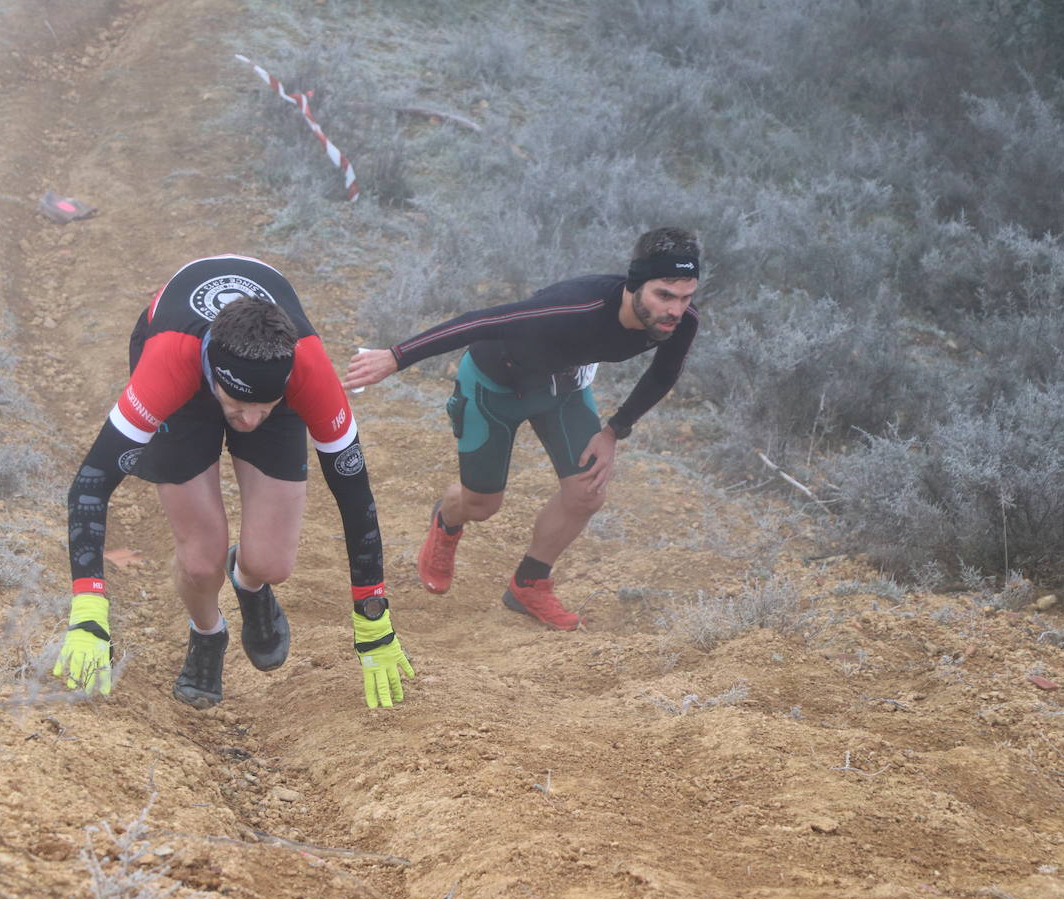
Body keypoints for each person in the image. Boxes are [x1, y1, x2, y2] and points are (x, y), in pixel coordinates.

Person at [54, 254, 413, 710]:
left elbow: (355, 492)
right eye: (239, 405)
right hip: (184, 379)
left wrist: (372, 616)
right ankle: (207, 634)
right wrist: (88, 608)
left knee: (272, 564)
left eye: (264, 407)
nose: (249, 420)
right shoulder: (167, 364)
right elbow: (91, 483)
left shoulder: (307, 370)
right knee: (200, 562)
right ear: (213, 379)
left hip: (262, 372)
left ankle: (248, 582)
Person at [342, 228, 701, 631]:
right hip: (494, 384)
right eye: (664, 295)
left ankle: (529, 583)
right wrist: (396, 356)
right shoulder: (575, 306)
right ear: (636, 284)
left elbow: (663, 375)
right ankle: (447, 519)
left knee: (587, 491)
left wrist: (614, 431)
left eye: (686, 296)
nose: (675, 310)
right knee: (483, 505)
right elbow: (482, 321)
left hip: (561, 389)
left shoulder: (678, 323)